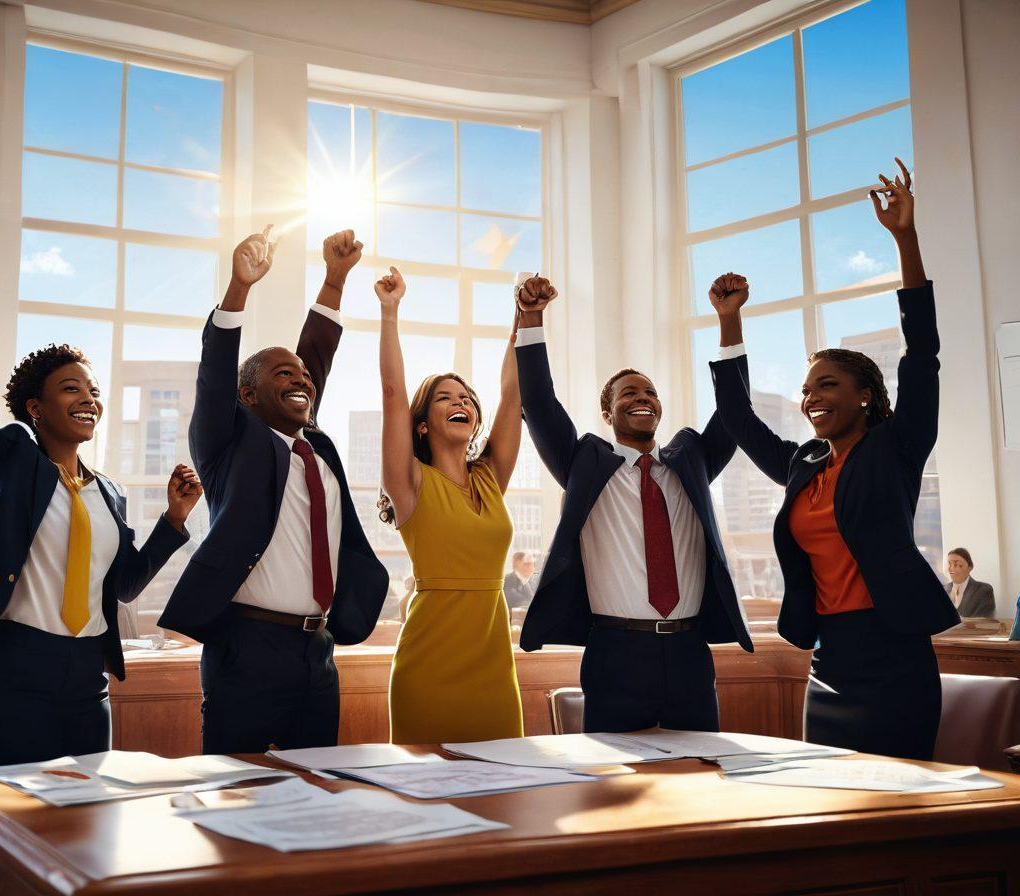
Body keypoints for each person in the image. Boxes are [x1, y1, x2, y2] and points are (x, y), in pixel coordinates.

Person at [0, 201, 200, 766]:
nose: (89, 399)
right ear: (36, 406)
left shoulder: (110, 495)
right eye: (71, 388)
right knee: (12, 827)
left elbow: (123, 586)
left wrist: (173, 521)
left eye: (92, 390)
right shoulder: (10, 461)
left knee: (82, 828)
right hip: (15, 674)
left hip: (87, 682)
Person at [708, 158, 959, 761]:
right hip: (830, 654)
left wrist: (905, 239)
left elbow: (921, 350)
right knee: (829, 796)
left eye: (828, 385)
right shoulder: (804, 465)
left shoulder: (896, 448)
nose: (811, 398)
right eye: (808, 388)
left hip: (894, 649)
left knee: (896, 801)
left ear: (864, 395)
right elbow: (738, 419)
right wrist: (730, 322)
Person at [158, 229, 388, 754]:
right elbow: (214, 375)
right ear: (248, 395)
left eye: (304, 377)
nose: (302, 380)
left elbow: (316, 355)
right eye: (283, 375)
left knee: (315, 795)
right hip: (246, 649)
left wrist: (334, 279)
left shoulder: (317, 447)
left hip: (317, 650)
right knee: (235, 798)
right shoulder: (228, 445)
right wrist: (239, 287)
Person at [514, 277, 752, 735]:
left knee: (701, 777)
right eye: (629, 394)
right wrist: (531, 319)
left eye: (649, 393)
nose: (642, 398)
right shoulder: (585, 462)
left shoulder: (692, 460)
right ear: (608, 414)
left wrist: (729, 320)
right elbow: (540, 404)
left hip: (689, 652)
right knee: (613, 788)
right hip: (614, 653)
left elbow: (734, 412)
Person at [377, 266, 525, 744]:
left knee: (505, 797)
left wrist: (524, 318)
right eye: (444, 398)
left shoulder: (490, 477)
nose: (460, 402)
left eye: (465, 397)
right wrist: (390, 311)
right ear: (423, 424)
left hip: (494, 670)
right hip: (428, 670)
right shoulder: (410, 483)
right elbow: (394, 395)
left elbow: (514, 393)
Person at [945, 548, 997, 618]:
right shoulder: (942, 589)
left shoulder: (984, 590)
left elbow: (984, 620)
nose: (951, 568)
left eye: (958, 565)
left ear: (970, 567)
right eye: (949, 564)